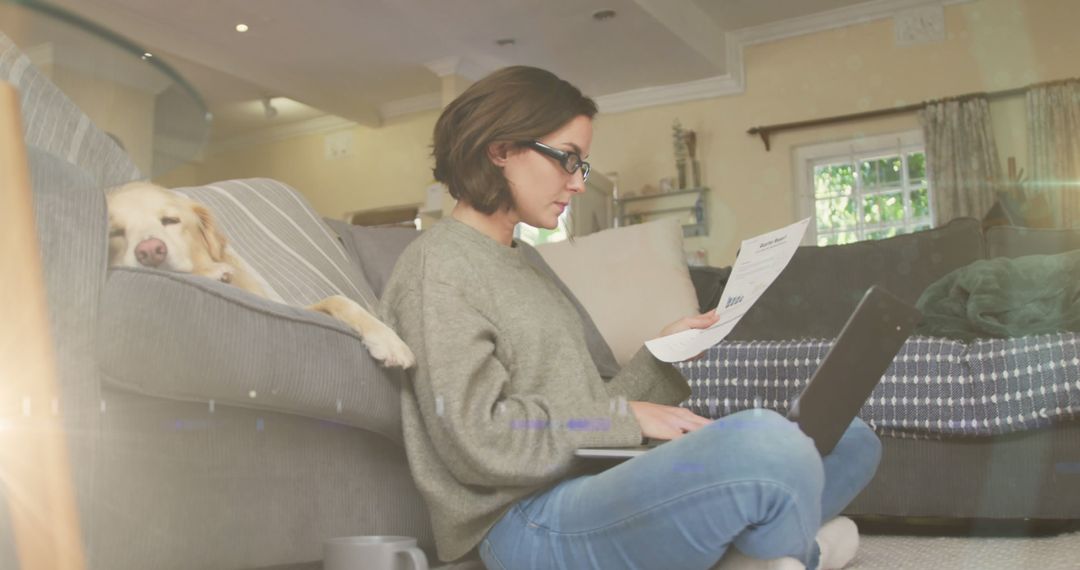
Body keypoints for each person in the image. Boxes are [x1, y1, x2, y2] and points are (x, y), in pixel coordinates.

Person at [380, 66, 881, 570]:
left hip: (589, 481)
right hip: (520, 521)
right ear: (501, 149)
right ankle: (779, 551)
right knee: (768, 444)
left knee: (852, 440)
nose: (577, 183)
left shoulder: (524, 259)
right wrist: (624, 418)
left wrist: (662, 353)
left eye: (582, 166)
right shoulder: (439, 267)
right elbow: (477, 438)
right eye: (567, 160)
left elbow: (586, 407)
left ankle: (753, 554)